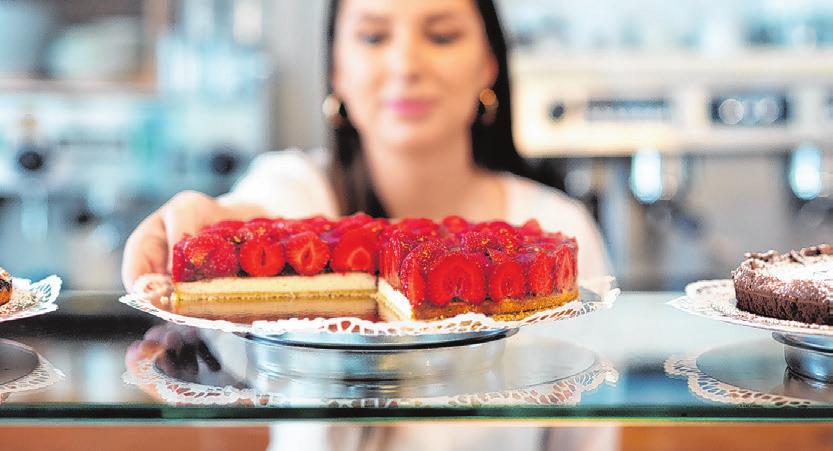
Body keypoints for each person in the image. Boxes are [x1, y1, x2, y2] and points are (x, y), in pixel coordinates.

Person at [122, 0, 616, 450]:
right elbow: (258, 214)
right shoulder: (296, 187)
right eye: (374, 37)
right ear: (335, 67)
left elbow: (588, 436)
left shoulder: (556, 225)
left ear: (489, 62)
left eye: (441, 36)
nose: (406, 64)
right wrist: (218, 230)